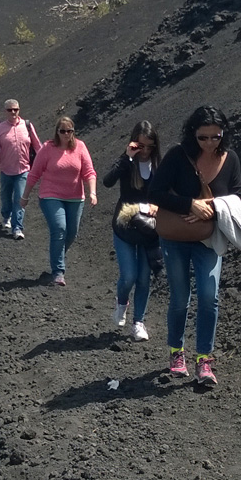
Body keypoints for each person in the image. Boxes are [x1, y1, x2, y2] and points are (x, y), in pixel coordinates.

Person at [149, 106, 241, 386]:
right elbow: (155, 192)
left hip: (208, 239)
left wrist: (211, 209)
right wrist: (189, 204)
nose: (210, 142)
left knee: (209, 296)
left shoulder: (231, 159)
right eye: (203, 138)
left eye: (216, 136)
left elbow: (236, 196)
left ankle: (205, 359)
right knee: (180, 298)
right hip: (175, 238)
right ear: (193, 134)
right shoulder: (178, 156)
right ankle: (177, 353)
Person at [103, 121, 162, 341]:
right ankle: (121, 302)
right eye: (140, 145)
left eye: (149, 146)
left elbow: (167, 193)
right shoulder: (127, 163)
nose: (145, 151)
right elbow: (107, 182)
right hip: (125, 225)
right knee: (129, 276)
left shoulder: (158, 166)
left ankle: (138, 322)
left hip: (149, 230)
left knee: (144, 279)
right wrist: (126, 157)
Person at [21, 116, 97, 286]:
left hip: (75, 198)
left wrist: (93, 192)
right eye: (62, 131)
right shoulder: (48, 148)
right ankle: (58, 272)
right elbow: (34, 173)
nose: (66, 134)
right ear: (57, 132)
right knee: (59, 229)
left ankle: (57, 256)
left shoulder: (80, 147)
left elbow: (89, 172)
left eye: (69, 131)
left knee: (71, 234)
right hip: (51, 196)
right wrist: (25, 196)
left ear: (73, 132)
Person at [0, 99, 41, 240]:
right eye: (10, 110)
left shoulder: (27, 126)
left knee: (20, 199)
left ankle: (17, 228)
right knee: (6, 198)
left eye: (15, 109)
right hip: (6, 171)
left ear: (19, 110)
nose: (13, 112)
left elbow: (37, 146)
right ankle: (6, 215)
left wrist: (46, 164)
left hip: (24, 170)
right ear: (5, 112)